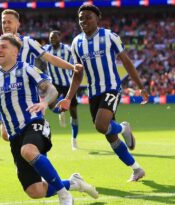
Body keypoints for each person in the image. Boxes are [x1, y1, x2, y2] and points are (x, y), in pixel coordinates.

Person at [0, 34, 98, 205]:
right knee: (35, 191)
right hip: (14, 136)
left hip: (34, 124)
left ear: (15, 51)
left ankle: (64, 195)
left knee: (28, 151)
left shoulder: (27, 69)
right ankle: (74, 183)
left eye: (3, 47)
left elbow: (51, 90)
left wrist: (44, 102)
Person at [56, 5, 149, 182]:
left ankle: (123, 127)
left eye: (88, 17)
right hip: (93, 93)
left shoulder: (109, 36)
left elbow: (127, 62)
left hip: (111, 88)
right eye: (81, 18)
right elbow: (78, 74)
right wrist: (68, 98)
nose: (84, 21)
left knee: (100, 125)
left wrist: (141, 86)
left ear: (98, 18)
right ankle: (136, 169)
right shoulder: (76, 43)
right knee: (109, 135)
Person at [0, 9, 79, 142]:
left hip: (29, 93)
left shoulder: (28, 42)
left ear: (18, 24)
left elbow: (50, 58)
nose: (6, 25)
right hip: (7, 93)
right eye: (3, 22)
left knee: (32, 130)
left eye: (9, 22)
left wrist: (72, 66)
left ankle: (38, 141)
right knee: (5, 134)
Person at [43, 30, 80, 150]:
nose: (52, 39)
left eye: (54, 37)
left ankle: (74, 139)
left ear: (60, 37)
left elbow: (76, 61)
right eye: (50, 38)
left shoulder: (67, 50)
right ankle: (61, 112)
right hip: (54, 83)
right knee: (50, 105)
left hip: (68, 84)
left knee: (74, 113)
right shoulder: (46, 49)